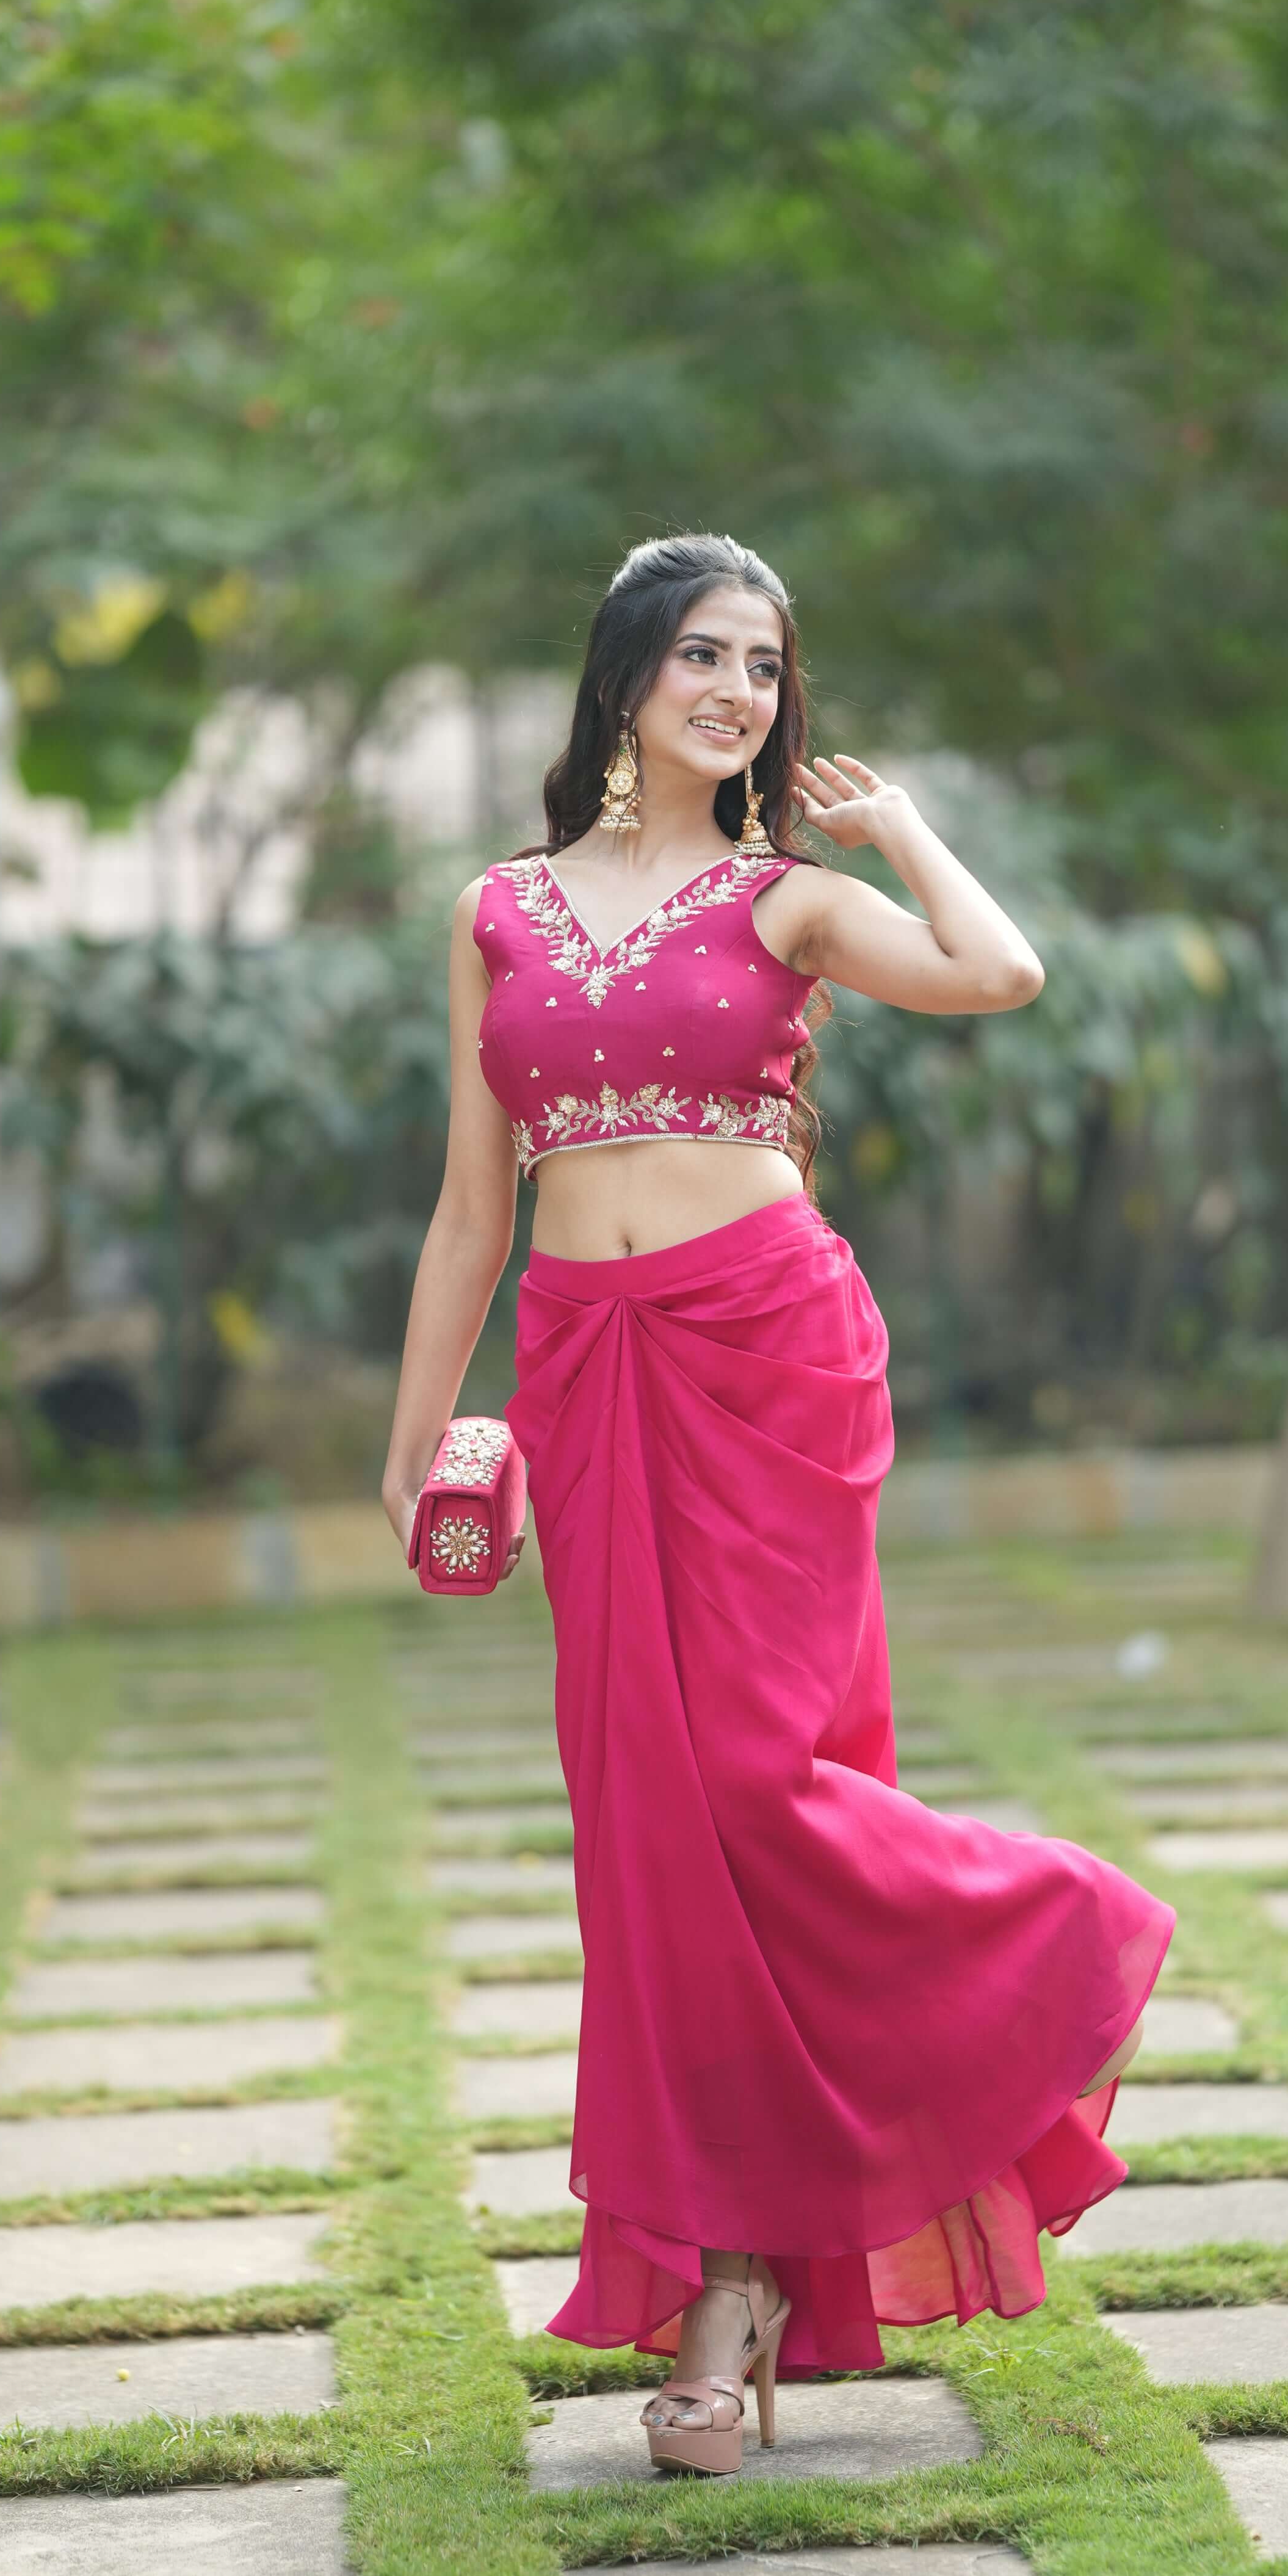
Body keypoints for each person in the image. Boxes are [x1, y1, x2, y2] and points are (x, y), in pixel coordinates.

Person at [383, 533, 1174, 2474]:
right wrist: (411, 1442)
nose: (738, 688)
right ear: (626, 676)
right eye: (704, 655)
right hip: (582, 1364)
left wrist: (904, 830)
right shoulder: (497, 911)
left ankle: (1052, 1929)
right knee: (646, 1827)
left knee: (749, 1779)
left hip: (769, 1353)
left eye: (765, 665)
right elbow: (474, 1210)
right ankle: (727, 2286)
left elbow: (1000, 971)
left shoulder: (792, 901)